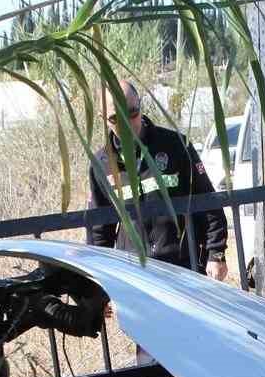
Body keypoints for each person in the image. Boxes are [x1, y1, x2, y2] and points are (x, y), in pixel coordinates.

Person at [88, 81, 229, 281]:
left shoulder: (177, 145)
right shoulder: (100, 165)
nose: (126, 122)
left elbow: (207, 201)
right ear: (104, 119)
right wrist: (101, 283)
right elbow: (99, 232)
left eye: (132, 112)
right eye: (115, 117)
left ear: (141, 105)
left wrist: (216, 253)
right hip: (133, 276)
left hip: (184, 269)